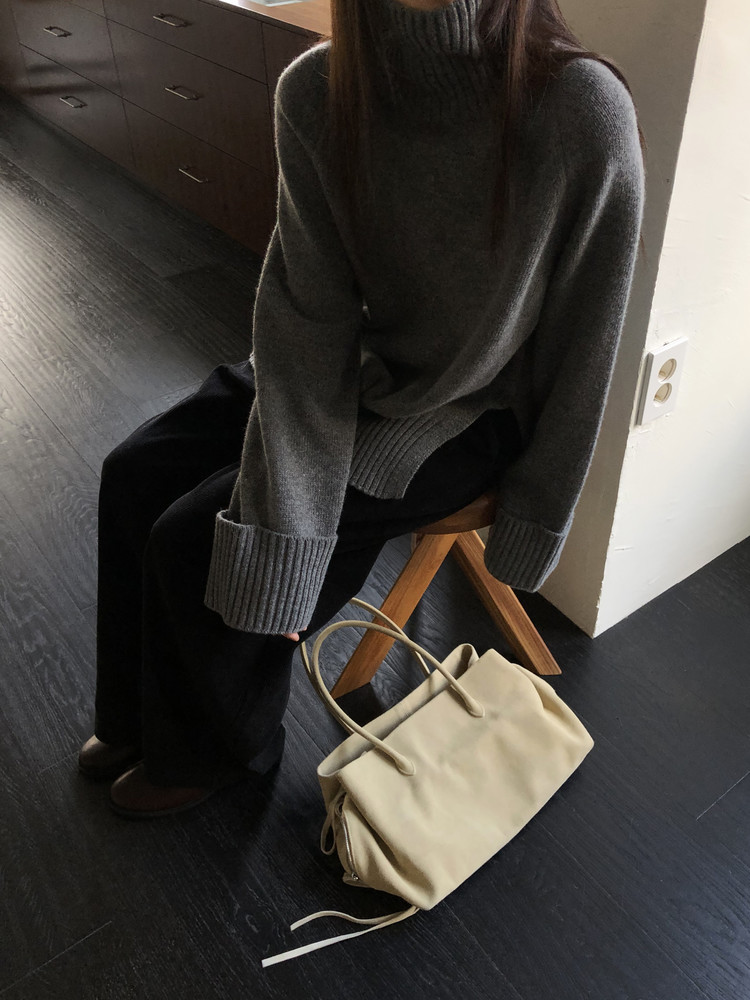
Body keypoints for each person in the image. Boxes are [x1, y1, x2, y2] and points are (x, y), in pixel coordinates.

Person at [78, 0, 646, 818]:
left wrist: (536, 518)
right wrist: (288, 502)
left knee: (193, 537)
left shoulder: (580, 111)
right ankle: (134, 717)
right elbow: (306, 314)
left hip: (473, 405)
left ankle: (219, 748)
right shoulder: (318, 91)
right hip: (355, 363)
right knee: (136, 472)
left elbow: (586, 345)